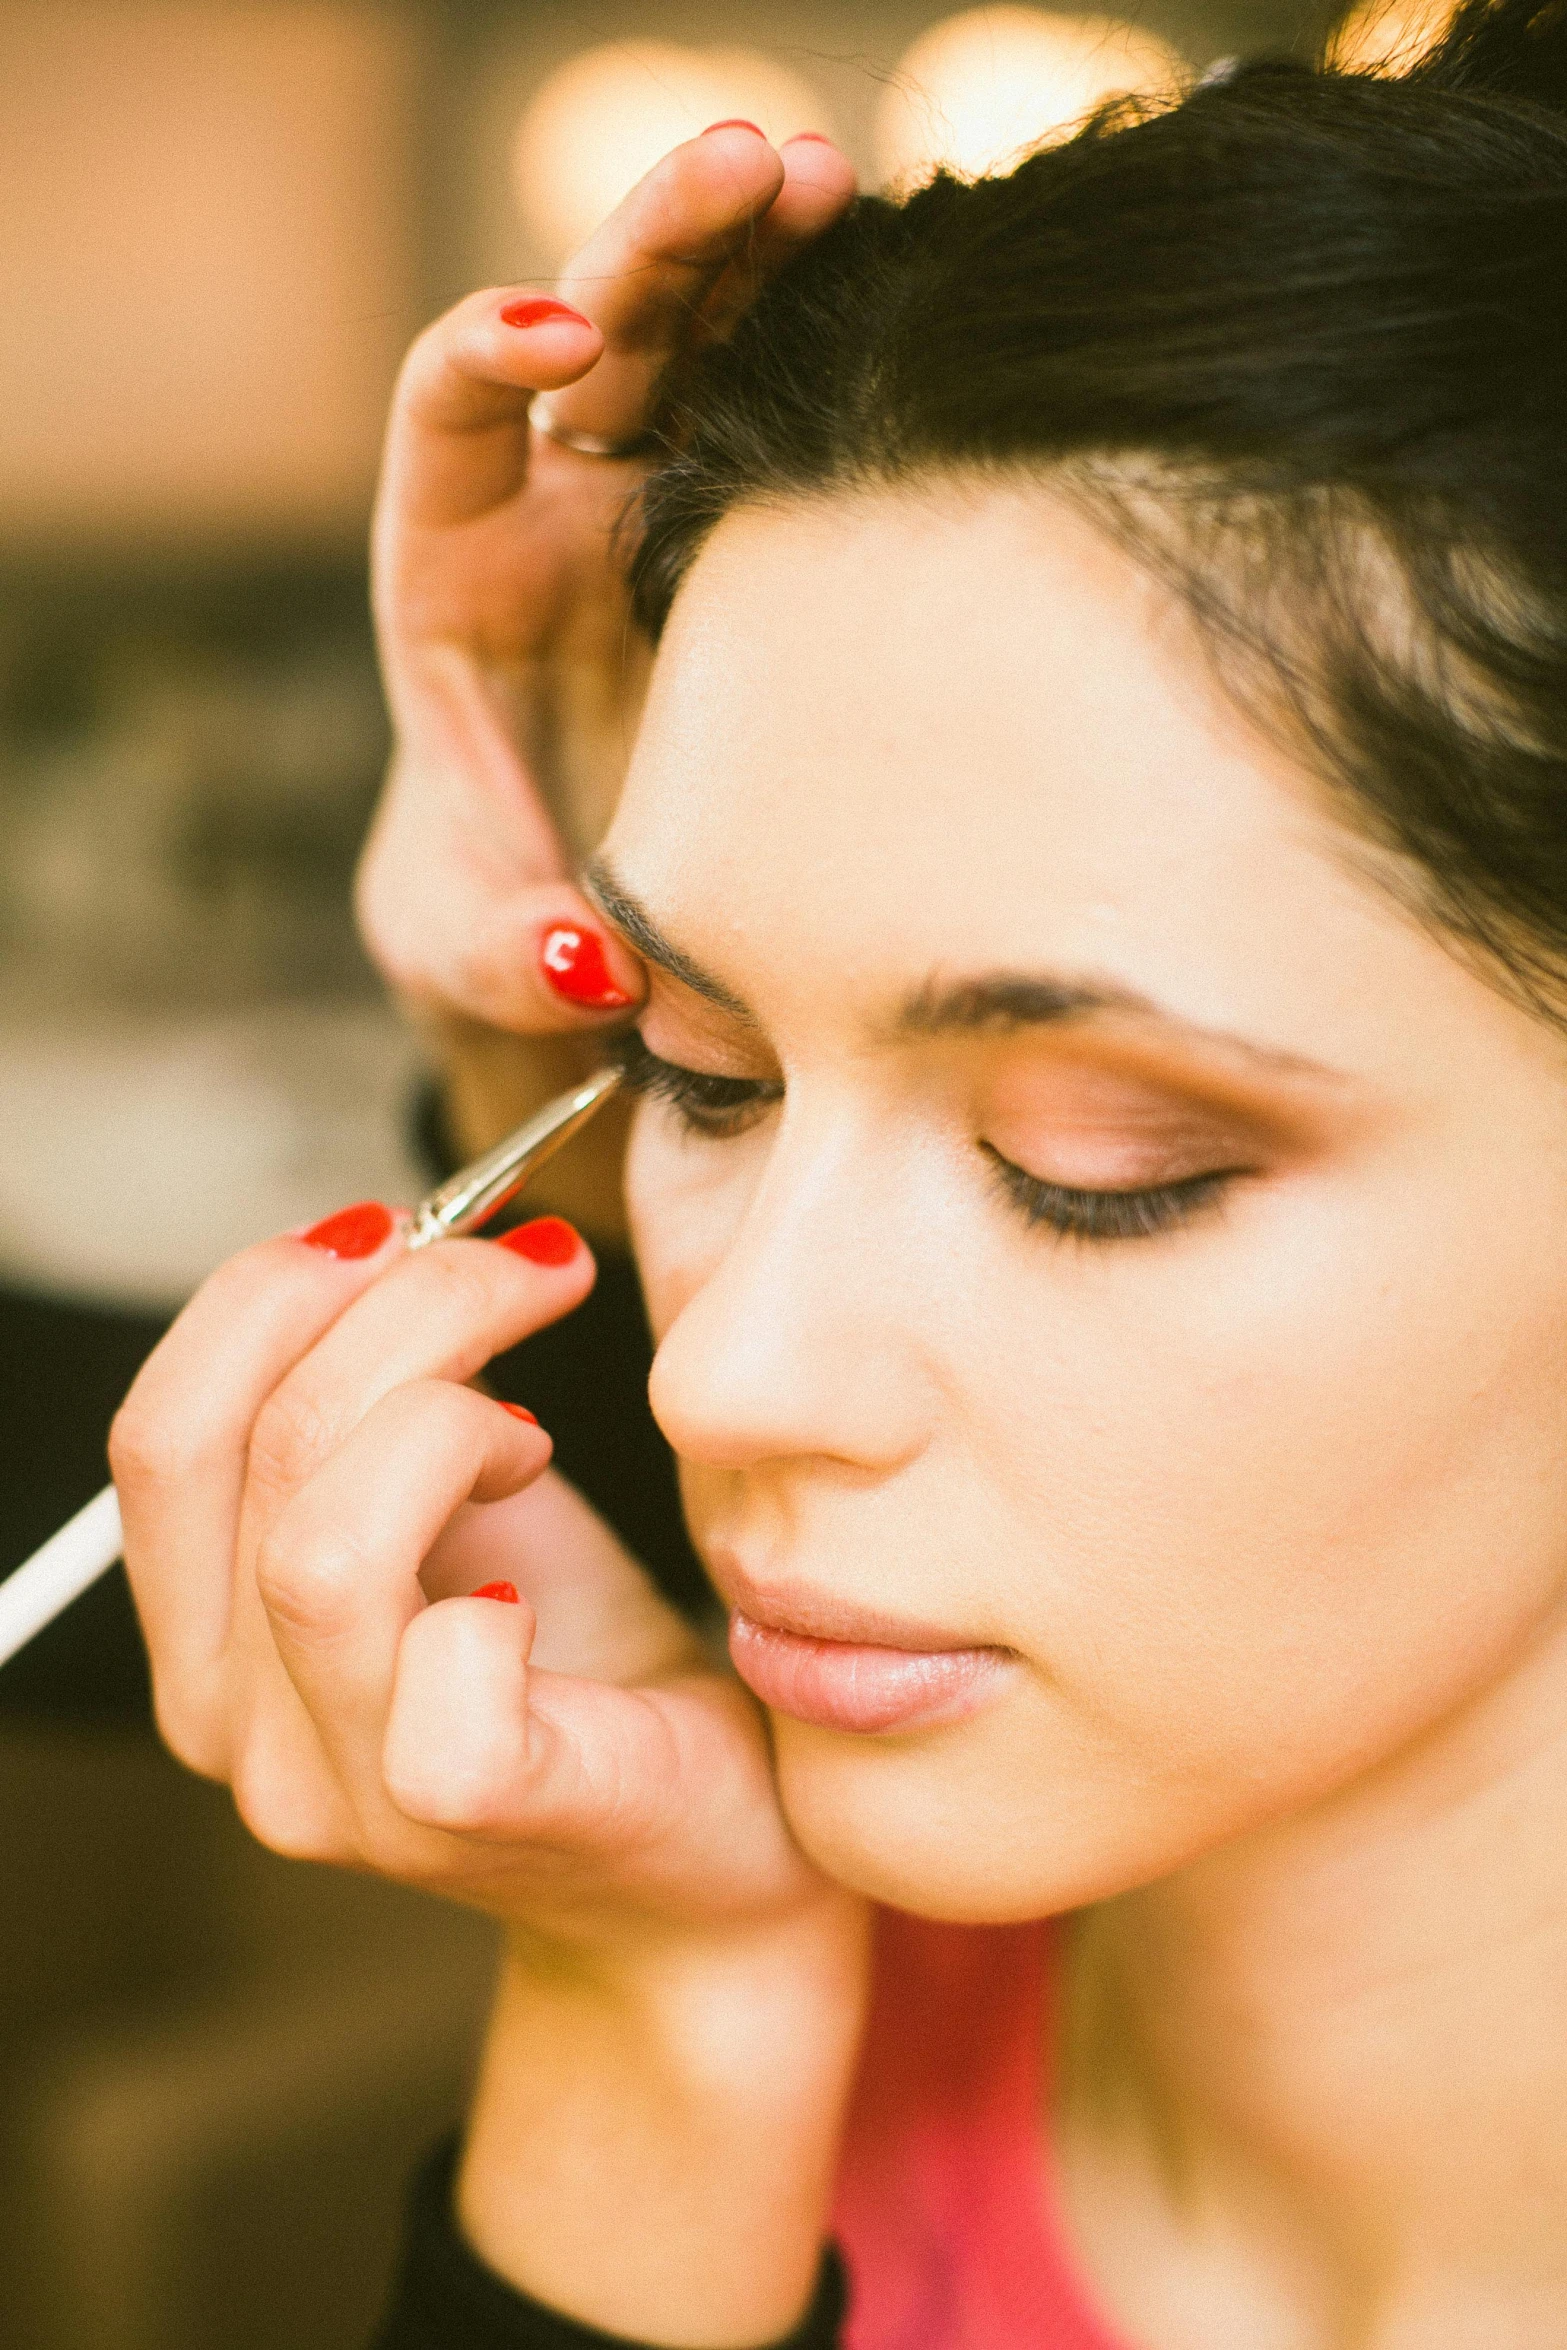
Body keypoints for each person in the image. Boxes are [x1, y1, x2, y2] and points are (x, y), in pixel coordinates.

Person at [109, 2, 1567, 2342]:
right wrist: (661, 1998)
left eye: (1105, 1165)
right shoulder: (798, 1974)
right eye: (704, 1069)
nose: (730, 1380)